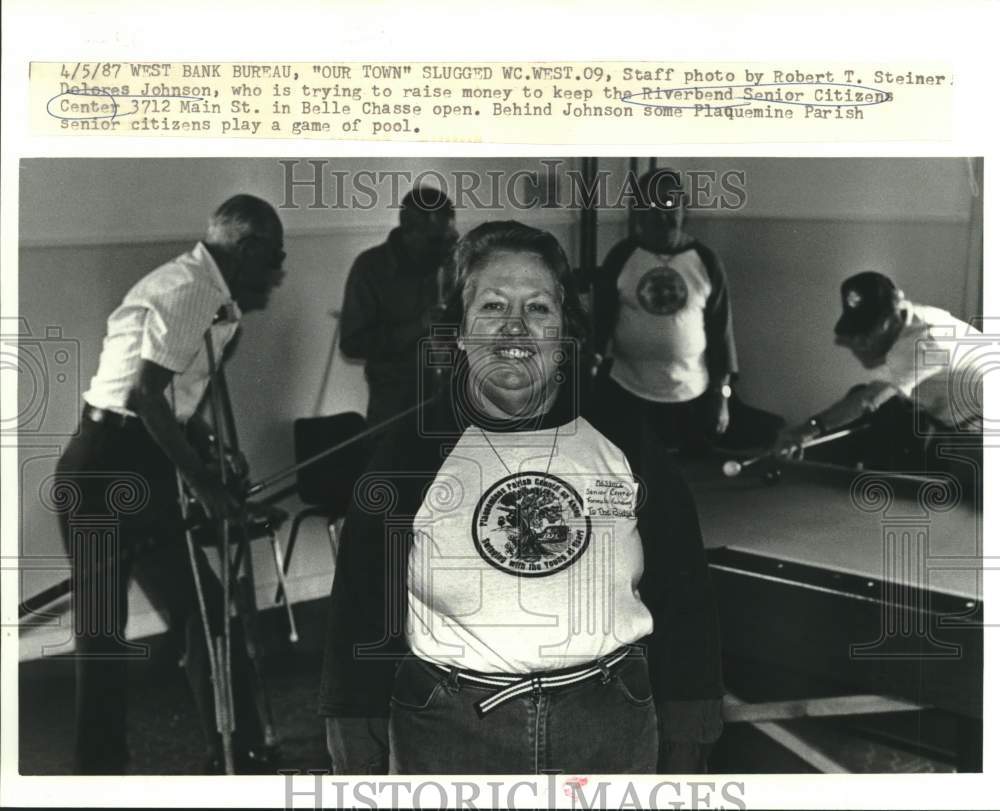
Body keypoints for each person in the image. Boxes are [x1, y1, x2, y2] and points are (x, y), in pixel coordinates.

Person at [319, 220, 723, 775]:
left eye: (538, 308)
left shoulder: (622, 431)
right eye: (491, 307)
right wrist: (351, 718)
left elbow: (683, 584)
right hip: (447, 730)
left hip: (609, 722)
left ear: (565, 331)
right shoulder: (412, 448)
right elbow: (362, 598)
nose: (515, 327)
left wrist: (691, 717)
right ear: (458, 330)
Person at [52, 194, 287, 774]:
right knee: (104, 634)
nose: (278, 272)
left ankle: (240, 755)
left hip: (131, 456)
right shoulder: (193, 292)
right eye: (274, 257)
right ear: (248, 247)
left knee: (204, 613)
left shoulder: (205, 294)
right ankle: (97, 776)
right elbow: (143, 398)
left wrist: (210, 445)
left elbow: (167, 400)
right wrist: (205, 484)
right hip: (106, 468)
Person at [774, 271, 984, 480]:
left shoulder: (923, 341)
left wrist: (806, 431)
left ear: (892, 312)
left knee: (971, 505)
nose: (863, 340)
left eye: (870, 328)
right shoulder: (912, 322)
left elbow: (870, 398)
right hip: (967, 426)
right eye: (859, 329)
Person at [592, 168, 738, 460]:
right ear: (638, 213)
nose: (661, 215)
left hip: (691, 396)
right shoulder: (621, 256)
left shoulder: (706, 261)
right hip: (629, 392)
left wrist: (721, 400)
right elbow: (600, 324)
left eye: (670, 205)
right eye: (650, 206)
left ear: (684, 208)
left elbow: (722, 335)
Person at [339, 186, 458, 429]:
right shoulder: (370, 268)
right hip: (394, 410)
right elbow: (352, 343)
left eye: (449, 238)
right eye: (436, 240)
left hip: (448, 403)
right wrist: (419, 326)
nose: (445, 248)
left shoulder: (449, 264)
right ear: (410, 233)